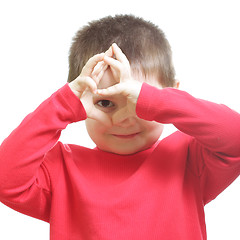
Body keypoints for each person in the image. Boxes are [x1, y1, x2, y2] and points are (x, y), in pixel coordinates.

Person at [0, 14, 239, 240]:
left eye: (138, 102)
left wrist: (154, 101)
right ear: (80, 99)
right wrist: (63, 104)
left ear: (170, 96)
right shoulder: (61, 169)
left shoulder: (189, 159)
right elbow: (5, 179)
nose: (124, 119)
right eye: (105, 103)